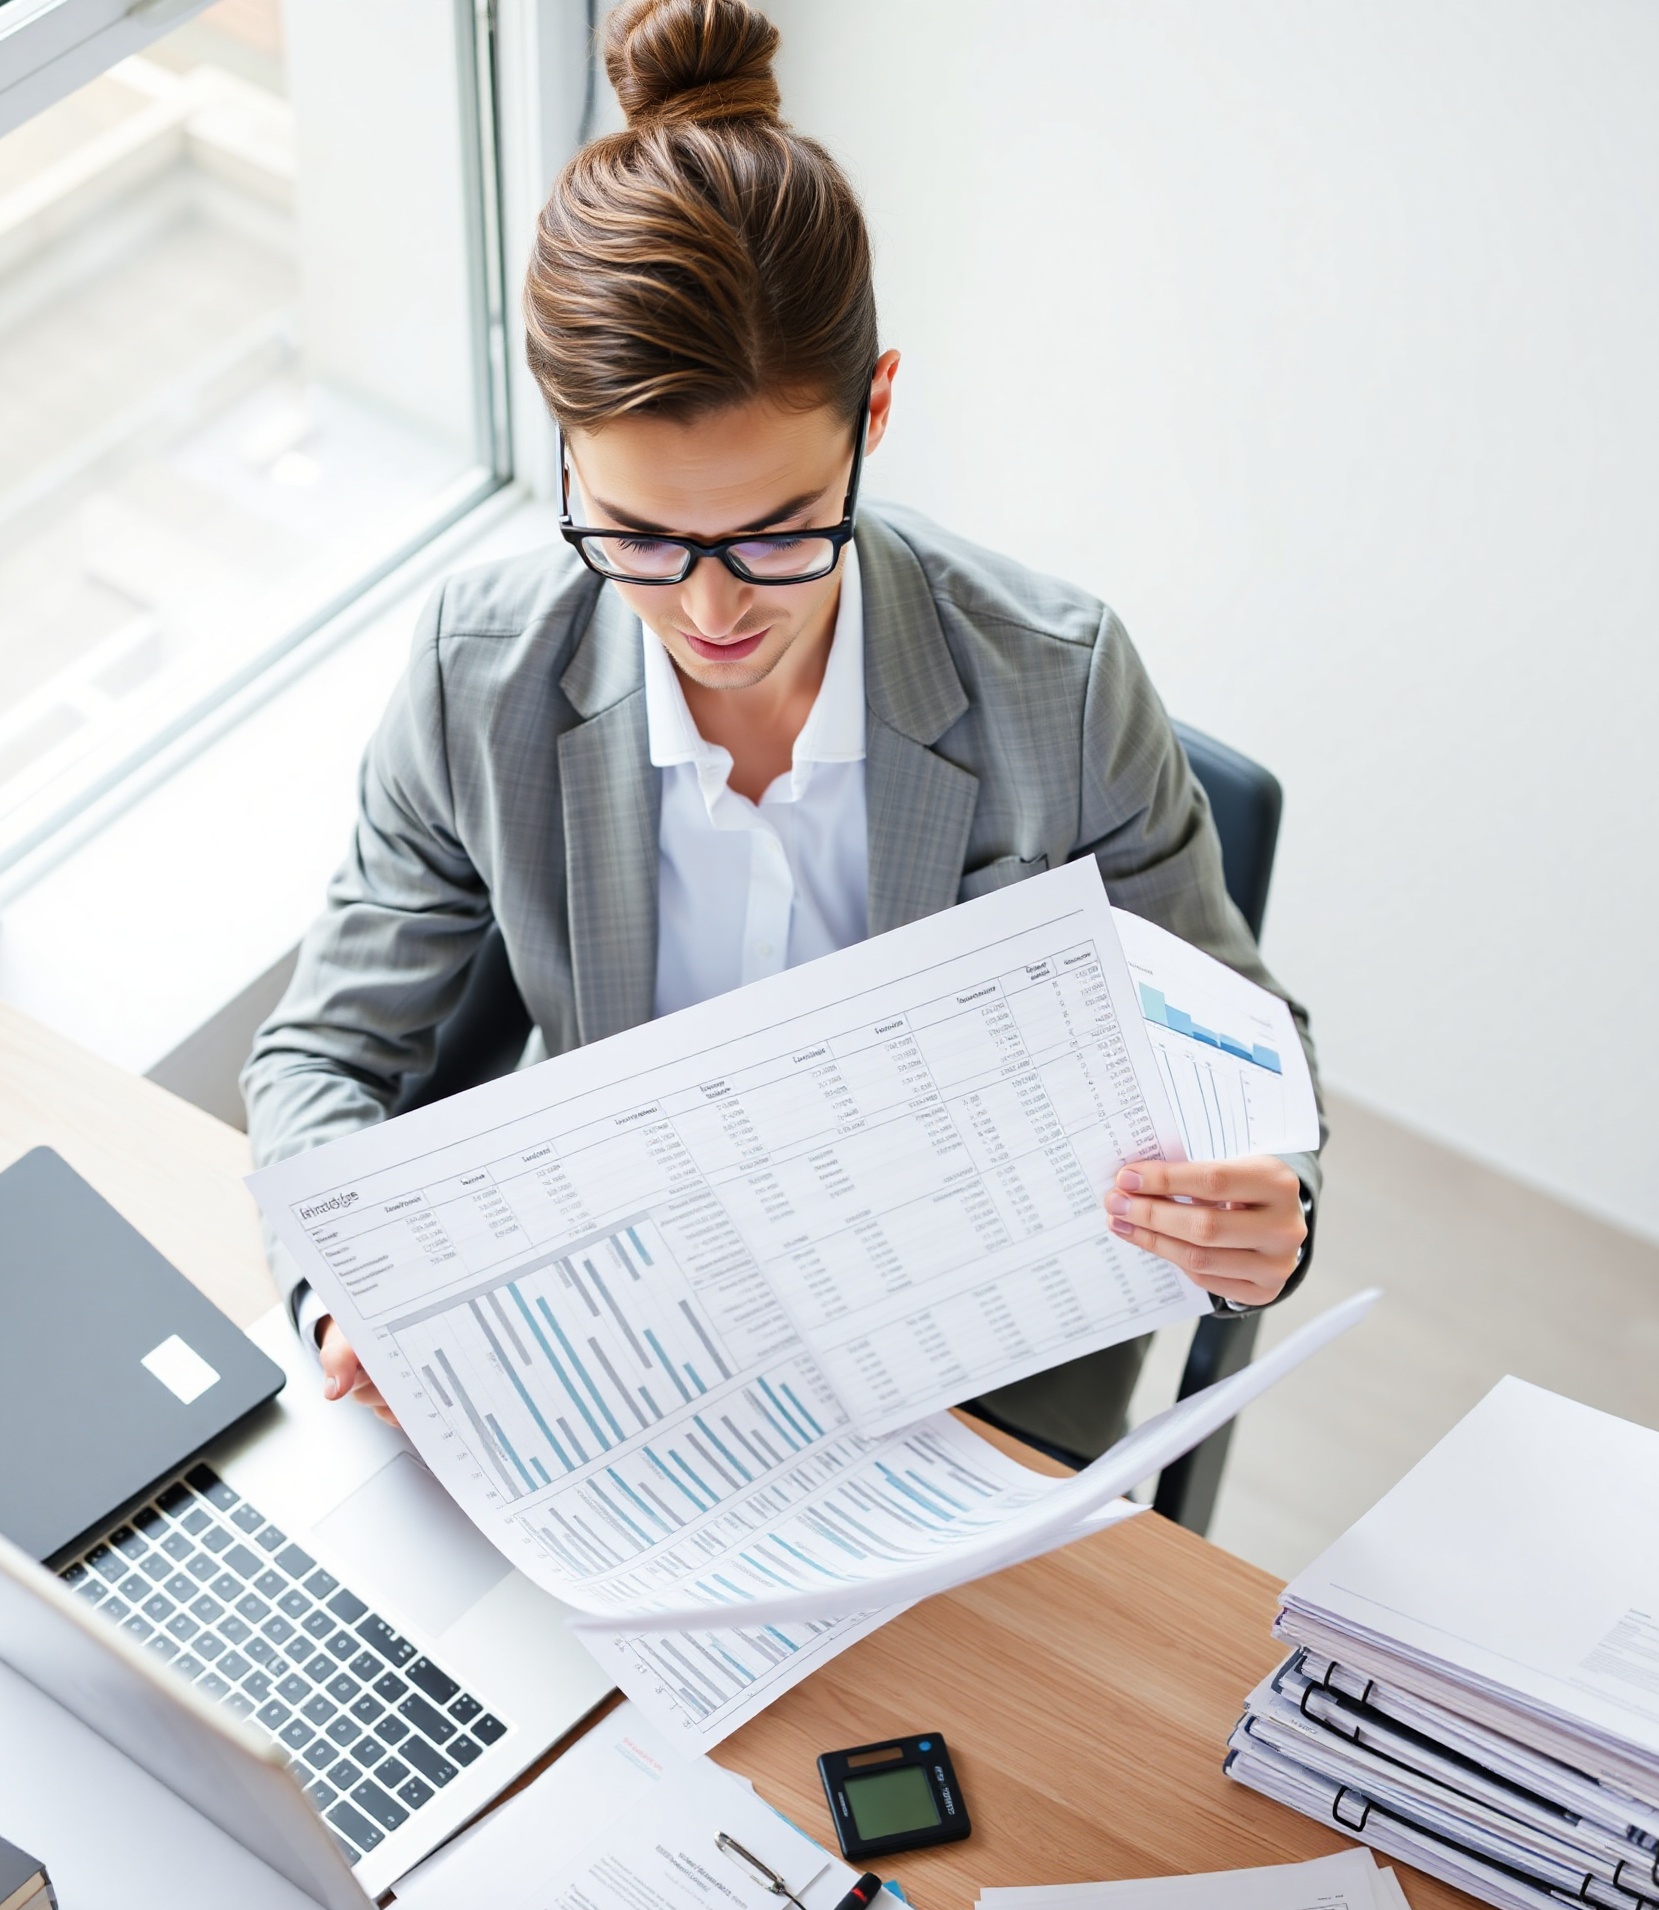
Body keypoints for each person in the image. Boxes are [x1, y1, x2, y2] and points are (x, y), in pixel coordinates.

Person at [242, 0, 1319, 1465]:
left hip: (973, 1381)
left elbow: (1245, 1052)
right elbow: (323, 1055)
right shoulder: (476, 676)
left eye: (775, 532)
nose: (707, 611)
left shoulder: (1057, 687)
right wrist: (349, 1293)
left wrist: (1267, 1201)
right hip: (628, 1347)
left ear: (875, 412)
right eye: (636, 536)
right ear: (564, 446)